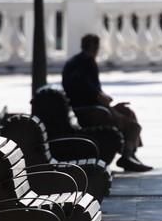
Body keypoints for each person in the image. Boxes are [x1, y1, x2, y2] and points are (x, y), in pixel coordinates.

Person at [62, 34, 152, 172]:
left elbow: (92, 91)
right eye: (96, 46)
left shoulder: (78, 62)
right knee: (133, 126)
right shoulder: (86, 62)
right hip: (90, 112)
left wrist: (109, 104)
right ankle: (127, 157)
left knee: (128, 112)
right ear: (93, 46)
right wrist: (110, 108)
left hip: (92, 107)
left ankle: (130, 154)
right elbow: (90, 93)